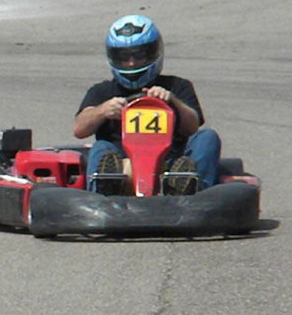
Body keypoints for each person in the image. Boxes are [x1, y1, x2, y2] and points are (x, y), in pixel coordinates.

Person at [73, 15, 220, 195]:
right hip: (123, 165)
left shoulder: (177, 86)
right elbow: (79, 130)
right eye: (123, 57)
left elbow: (192, 127)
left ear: (153, 53)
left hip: (171, 164)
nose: (131, 63)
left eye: (139, 55)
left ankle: (193, 192)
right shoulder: (102, 92)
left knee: (207, 137)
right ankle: (105, 191)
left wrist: (172, 101)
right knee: (101, 147)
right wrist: (103, 110)